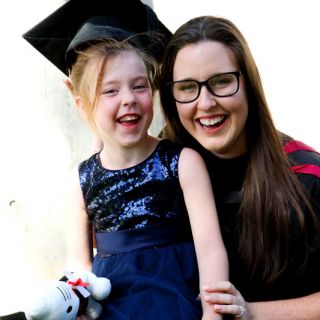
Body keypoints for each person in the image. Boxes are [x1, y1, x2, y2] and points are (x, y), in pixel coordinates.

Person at [21, 1, 229, 319]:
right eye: (110, 91)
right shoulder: (79, 183)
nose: (128, 98)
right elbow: (79, 266)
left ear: (154, 90)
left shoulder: (183, 163)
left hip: (177, 303)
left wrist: (213, 314)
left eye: (139, 86)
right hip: (113, 308)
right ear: (82, 104)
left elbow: (211, 250)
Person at [158, 15, 320, 320]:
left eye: (221, 81)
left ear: (248, 82)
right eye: (187, 87)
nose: (205, 103)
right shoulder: (162, 175)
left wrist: (250, 312)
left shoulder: (306, 178)